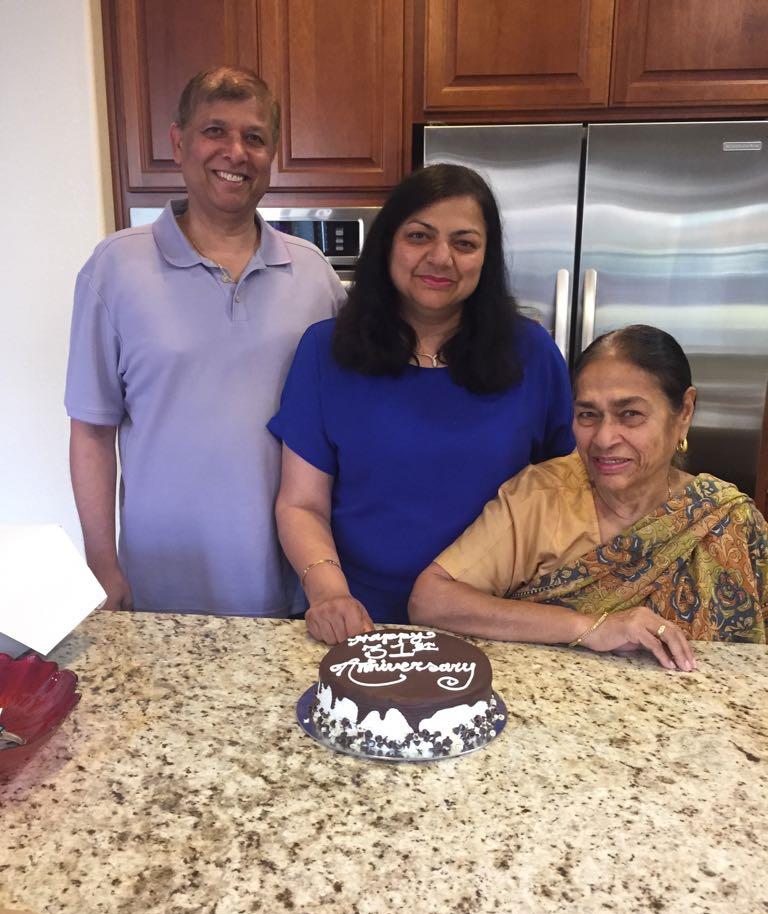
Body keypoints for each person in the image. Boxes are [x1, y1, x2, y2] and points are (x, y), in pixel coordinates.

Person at [65, 67, 346, 615]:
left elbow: (349, 426)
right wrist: (102, 563)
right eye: (215, 131)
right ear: (178, 142)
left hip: (290, 586)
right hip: (160, 587)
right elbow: (92, 431)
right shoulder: (115, 269)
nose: (235, 151)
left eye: (254, 137)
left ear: (272, 153)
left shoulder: (314, 278)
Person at [268, 163, 574, 643]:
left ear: (486, 258)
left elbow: (568, 495)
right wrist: (329, 594)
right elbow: (302, 503)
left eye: (464, 243)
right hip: (359, 622)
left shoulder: (532, 353)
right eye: (419, 236)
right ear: (388, 243)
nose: (441, 257)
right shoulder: (326, 352)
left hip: (499, 624)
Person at [410, 325, 768, 670]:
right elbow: (430, 600)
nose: (603, 438)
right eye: (588, 415)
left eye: (630, 414)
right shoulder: (541, 496)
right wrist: (590, 627)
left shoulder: (725, 519)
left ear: (684, 412)